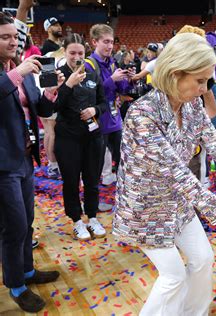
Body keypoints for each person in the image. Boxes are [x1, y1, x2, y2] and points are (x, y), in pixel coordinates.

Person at [112, 32, 216, 315]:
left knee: (203, 259)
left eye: (208, 81)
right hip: (145, 210)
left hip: (178, 203)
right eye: (200, 81)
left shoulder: (192, 105)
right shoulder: (142, 114)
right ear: (176, 73)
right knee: (173, 277)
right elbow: (178, 174)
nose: (206, 89)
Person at [0, 11, 64, 312]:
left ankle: (26, 271)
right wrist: (18, 72)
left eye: (15, 36)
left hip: (24, 157)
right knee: (13, 226)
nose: (13, 41)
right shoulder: (17, 70)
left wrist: (51, 93)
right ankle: (15, 286)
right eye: (5, 37)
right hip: (2, 164)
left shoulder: (19, 69)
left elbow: (38, 106)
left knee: (26, 222)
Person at [54, 33, 107, 241]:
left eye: (80, 53)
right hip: (68, 138)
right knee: (71, 181)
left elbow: (103, 102)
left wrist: (95, 110)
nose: (77, 57)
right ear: (64, 52)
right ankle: (76, 220)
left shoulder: (93, 73)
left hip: (92, 136)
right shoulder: (58, 75)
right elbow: (53, 107)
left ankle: (92, 217)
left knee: (93, 179)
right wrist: (68, 84)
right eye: (72, 53)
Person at [85, 24, 134, 187]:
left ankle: (124, 191)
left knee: (123, 158)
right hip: (98, 120)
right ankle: (91, 203)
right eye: (105, 42)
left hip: (114, 119)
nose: (110, 46)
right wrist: (111, 80)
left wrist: (128, 79)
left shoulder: (112, 63)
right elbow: (89, 94)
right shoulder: (88, 65)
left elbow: (122, 90)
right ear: (94, 42)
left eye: (112, 42)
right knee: (95, 164)